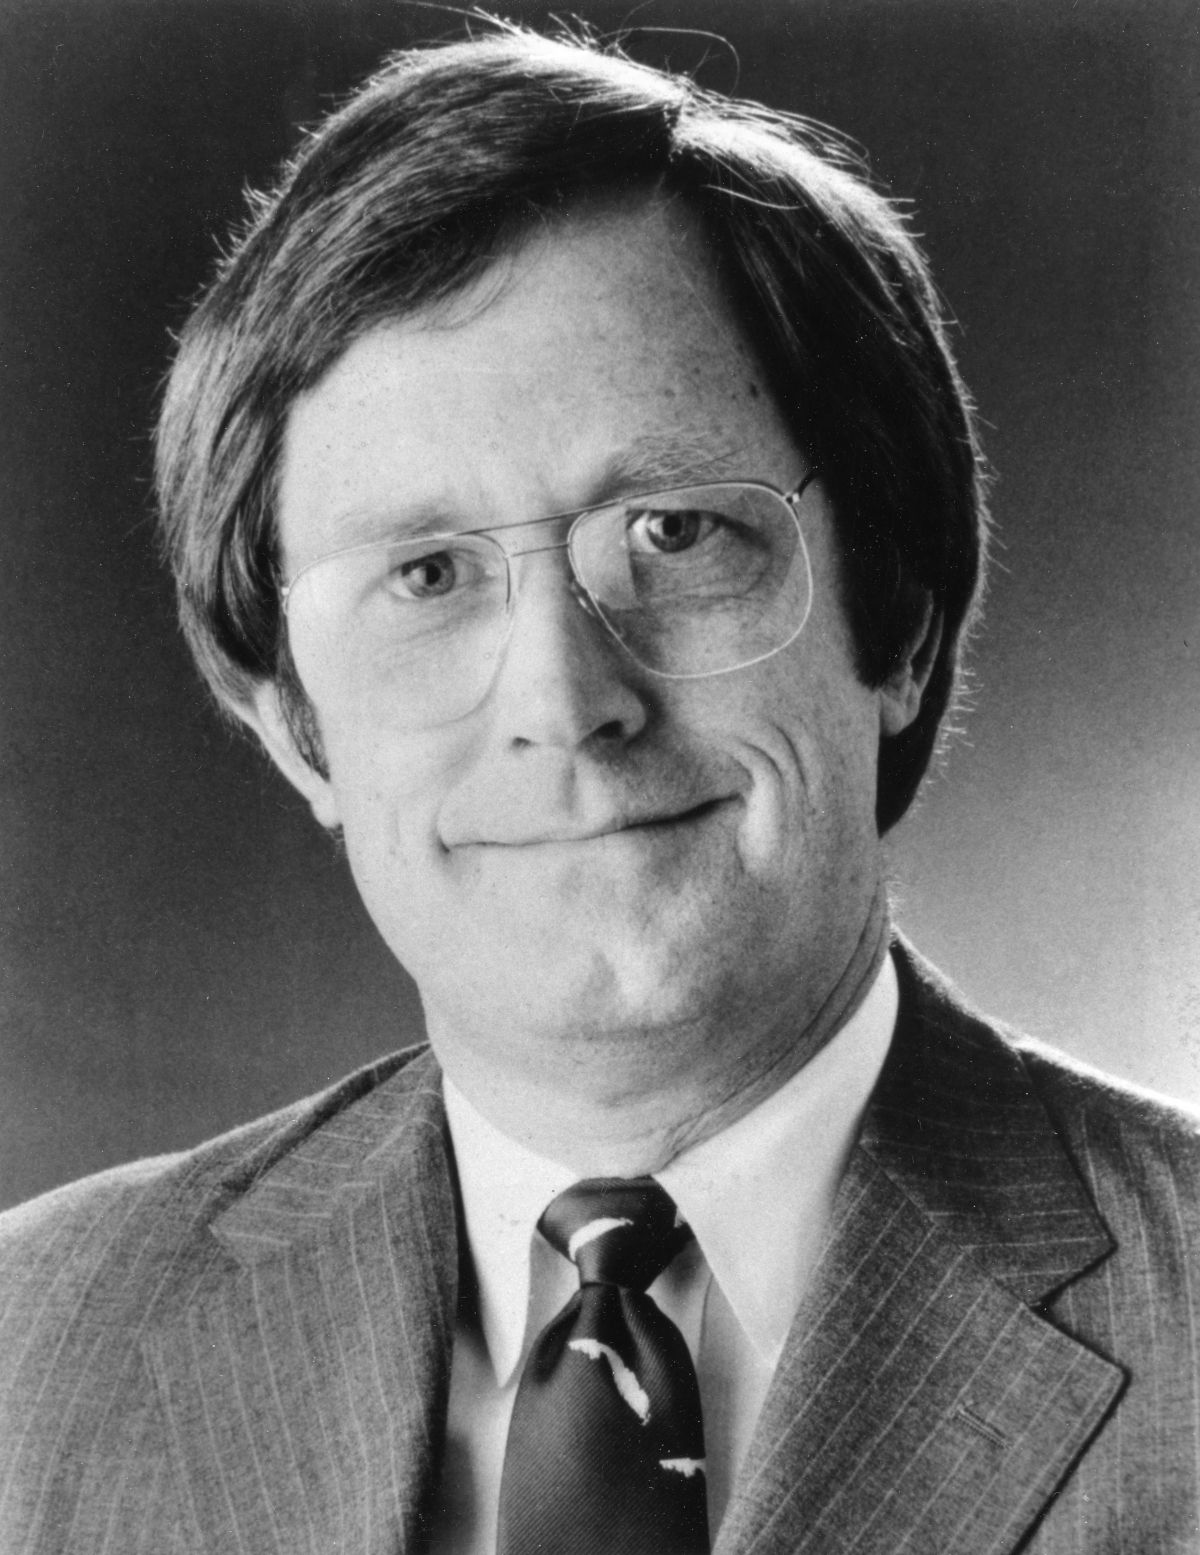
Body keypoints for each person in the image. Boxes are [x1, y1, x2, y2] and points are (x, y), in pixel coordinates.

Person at [1, 24, 1197, 1555]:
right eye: (427, 575)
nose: (567, 706)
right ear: (298, 725)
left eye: (676, 536)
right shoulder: (31, 1358)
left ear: (896, 617)